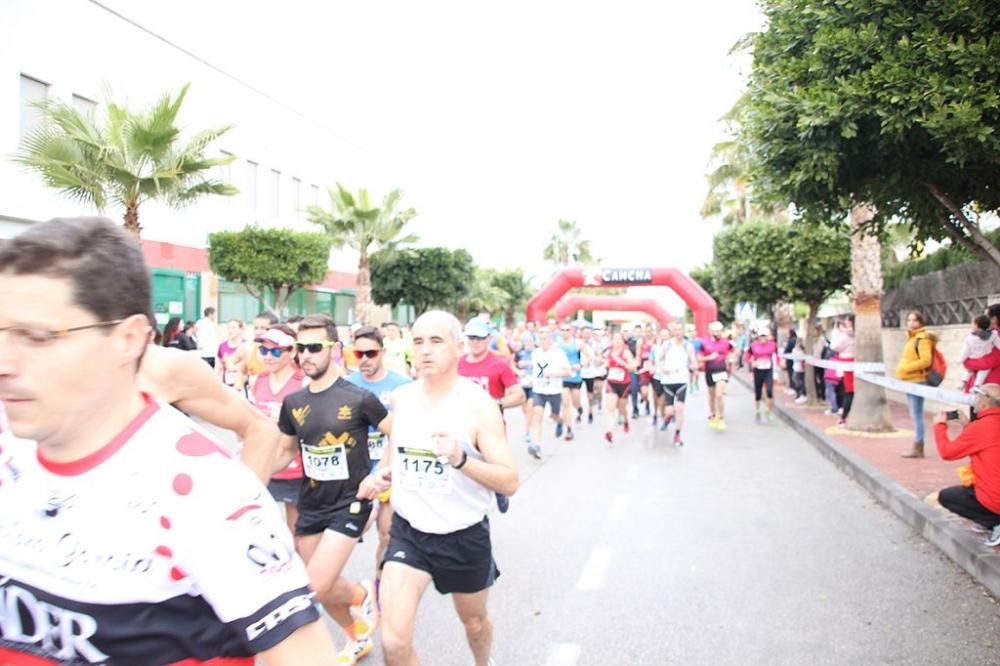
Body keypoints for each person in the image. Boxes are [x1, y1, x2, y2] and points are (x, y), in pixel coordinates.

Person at [0, 216, 335, 663]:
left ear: (129, 338)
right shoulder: (11, 453)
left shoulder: (204, 492)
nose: (5, 362)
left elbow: (258, 427)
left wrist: (234, 524)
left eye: (39, 337)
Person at [361, 310, 518, 666]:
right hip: (409, 533)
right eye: (418, 341)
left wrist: (462, 460)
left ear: (458, 347)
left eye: (436, 341)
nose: (425, 350)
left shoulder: (480, 406)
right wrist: (381, 475)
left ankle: (483, 662)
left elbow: (509, 480)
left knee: (474, 623)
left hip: (463, 535)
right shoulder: (402, 397)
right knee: (394, 644)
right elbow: (396, 447)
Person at [274, 314, 390, 663]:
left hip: (350, 503)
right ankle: (358, 630)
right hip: (311, 502)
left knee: (313, 586)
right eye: (300, 348)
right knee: (322, 588)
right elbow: (284, 451)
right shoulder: (294, 402)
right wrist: (248, 475)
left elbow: (397, 432)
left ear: (335, 349)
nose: (305, 355)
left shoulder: (359, 398)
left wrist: (379, 474)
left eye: (314, 347)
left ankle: (359, 601)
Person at [345, 325, 412, 598]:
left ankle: (380, 586)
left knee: (387, 534)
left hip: (389, 468)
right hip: (356, 471)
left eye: (370, 353)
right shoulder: (346, 385)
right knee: (351, 530)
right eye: (358, 354)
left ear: (382, 352)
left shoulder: (402, 386)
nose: (364, 359)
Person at [253, 325, 307, 534]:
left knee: (296, 531)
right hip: (264, 464)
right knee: (263, 528)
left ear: (292, 352)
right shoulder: (259, 380)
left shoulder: (303, 382)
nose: (268, 356)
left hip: (295, 467)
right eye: (264, 350)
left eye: (275, 351)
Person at [933, 384, 1000, 547]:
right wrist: (967, 426)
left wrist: (939, 426)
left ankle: (996, 522)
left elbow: (947, 453)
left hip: (995, 497)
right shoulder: (984, 426)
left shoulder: (981, 427)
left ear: (984, 403)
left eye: (976, 397)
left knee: (947, 497)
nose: (974, 400)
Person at [896, 310, 938, 458]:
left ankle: (918, 446)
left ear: (920, 322)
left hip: (917, 380)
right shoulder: (912, 338)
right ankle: (917, 445)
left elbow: (925, 360)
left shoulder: (922, 339)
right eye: (909, 320)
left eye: (914, 320)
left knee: (916, 415)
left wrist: (906, 368)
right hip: (910, 380)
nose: (911, 323)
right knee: (915, 414)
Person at [528, 328, 571, 458]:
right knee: (537, 415)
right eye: (540, 339)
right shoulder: (535, 353)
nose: (542, 341)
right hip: (539, 390)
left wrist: (552, 373)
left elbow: (568, 372)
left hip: (554, 391)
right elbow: (536, 371)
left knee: (554, 415)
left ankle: (559, 422)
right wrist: (532, 380)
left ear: (550, 339)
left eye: (545, 338)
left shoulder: (558, 353)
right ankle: (537, 446)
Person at [656, 322, 698, 446]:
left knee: (679, 408)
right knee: (669, 411)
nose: (678, 332)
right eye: (676, 330)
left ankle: (677, 435)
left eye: (680, 329)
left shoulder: (688, 346)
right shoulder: (667, 344)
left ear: (684, 331)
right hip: (668, 380)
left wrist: (694, 366)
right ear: (672, 332)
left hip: (682, 380)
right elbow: (659, 359)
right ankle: (668, 418)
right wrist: (662, 368)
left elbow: (693, 361)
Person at [699, 321, 735, 431]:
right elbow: (699, 358)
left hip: (722, 371)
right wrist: (709, 358)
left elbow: (733, 352)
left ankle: (721, 417)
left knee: (719, 395)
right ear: (710, 331)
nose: (717, 333)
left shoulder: (726, 342)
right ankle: (713, 413)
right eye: (715, 331)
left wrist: (730, 357)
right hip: (709, 371)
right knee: (711, 395)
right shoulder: (704, 343)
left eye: (719, 331)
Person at [604, 331, 638, 443]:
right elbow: (605, 364)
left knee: (622, 408)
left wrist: (623, 363)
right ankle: (609, 432)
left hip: (624, 384)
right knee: (611, 408)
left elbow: (634, 368)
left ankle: (626, 420)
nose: (617, 341)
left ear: (623, 341)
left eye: (619, 339)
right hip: (611, 383)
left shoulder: (626, 352)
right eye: (614, 339)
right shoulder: (609, 351)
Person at [556, 323, 585, 440]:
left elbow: (589, 356)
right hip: (563, 377)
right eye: (563, 330)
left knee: (575, 402)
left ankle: (579, 408)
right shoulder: (557, 345)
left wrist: (581, 365)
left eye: (567, 330)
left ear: (571, 331)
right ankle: (569, 429)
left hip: (575, 377)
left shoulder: (578, 343)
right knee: (565, 403)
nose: (565, 332)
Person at [746, 324, 778, 422]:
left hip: (768, 370)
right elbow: (747, 357)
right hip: (758, 370)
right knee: (758, 392)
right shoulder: (753, 345)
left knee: (769, 391)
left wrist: (780, 362)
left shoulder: (773, 345)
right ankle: (757, 410)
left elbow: (777, 356)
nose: (763, 338)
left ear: (767, 336)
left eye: (765, 336)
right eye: (761, 336)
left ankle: (769, 410)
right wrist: (752, 362)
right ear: (758, 337)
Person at [961, 314, 1000, 390]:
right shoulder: (985, 334)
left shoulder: (993, 336)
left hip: (990, 384)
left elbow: (989, 361)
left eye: (989, 316)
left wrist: (967, 362)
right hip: (979, 379)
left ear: (995, 319)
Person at [831, 317, 856, 426]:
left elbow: (834, 346)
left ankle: (843, 416)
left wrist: (837, 333)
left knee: (848, 391)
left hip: (847, 364)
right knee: (846, 390)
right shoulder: (851, 335)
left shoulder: (846, 336)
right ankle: (843, 412)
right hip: (849, 363)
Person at [218, 318, 246, 388]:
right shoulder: (222, 346)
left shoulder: (246, 345)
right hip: (227, 385)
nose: (230, 330)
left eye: (233, 328)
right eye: (228, 328)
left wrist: (234, 367)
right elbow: (218, 367)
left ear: (240, 330)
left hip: (243, 385)